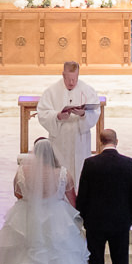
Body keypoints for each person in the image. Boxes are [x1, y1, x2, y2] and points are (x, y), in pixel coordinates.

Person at [76, 128, 132, 264]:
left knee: (95, 261)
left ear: (100, 142)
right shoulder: (128, 163)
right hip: (120, 221)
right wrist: (131, 217)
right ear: (116, 141)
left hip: (96, 222)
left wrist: (84, 217)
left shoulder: (90, 164)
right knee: (120, 260)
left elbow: (83, 196)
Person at [34, 61, 101, 190]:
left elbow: (95, 112)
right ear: (63, 75)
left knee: (80, 175)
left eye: (75, 79)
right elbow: (42, 113)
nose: (72, 83)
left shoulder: (87, 90)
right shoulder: (51, 91)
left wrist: (83, 114)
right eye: (69, 79)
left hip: (79, 141)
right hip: (60, 141)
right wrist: (57, 116)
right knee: (60, 173)